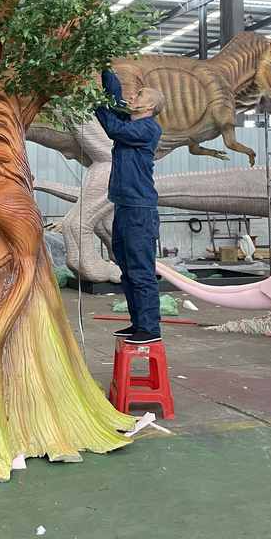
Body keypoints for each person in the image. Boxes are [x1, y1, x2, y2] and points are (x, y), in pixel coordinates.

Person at [95, 68, 165, 345]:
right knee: (126, 266)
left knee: (140, 270)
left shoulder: (148, 128)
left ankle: (150, 328)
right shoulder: (132, 122)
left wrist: (97, 106)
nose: (133, 96)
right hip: (124, 206)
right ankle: (138, 324)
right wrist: (104, 70)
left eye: (139, 95)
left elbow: (114, 128)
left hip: (139, 210)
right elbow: (115, 100)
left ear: (149, 106)